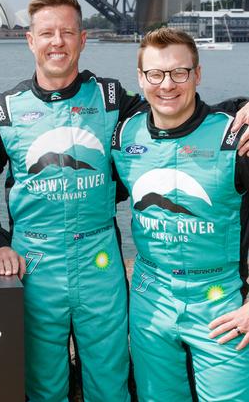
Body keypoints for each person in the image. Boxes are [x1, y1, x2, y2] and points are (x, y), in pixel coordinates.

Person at [0, 0, 249, 401]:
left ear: (83, 39)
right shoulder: (4, 109)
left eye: (67, 32)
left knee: (110, 384)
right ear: (30, 40)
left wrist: (243, 106)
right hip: (34, 263)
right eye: (47, 33)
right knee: (43, 386)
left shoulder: (113, 100)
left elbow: (175, 112)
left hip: (101, 263)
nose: (57, 42)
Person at [111, 27, 249, 401]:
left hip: (220, 300)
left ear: (197, 74)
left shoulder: (235, 137)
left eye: (179, 73)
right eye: (155, 74)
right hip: (150, 296)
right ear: (140, 79)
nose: (166, 85)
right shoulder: (124, 135)